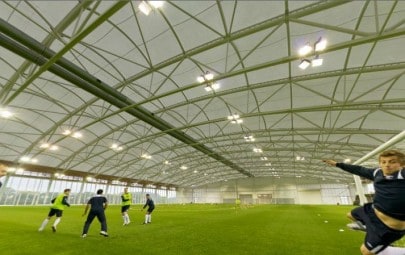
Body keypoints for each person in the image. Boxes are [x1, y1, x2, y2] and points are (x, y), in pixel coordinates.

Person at [323, 149, 405, 255]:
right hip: (372, 212)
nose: (387, 165)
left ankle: (382, 243)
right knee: (351, 215)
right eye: (383, 162)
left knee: (366, 252)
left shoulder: (402, 174)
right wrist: (337, 164)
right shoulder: (377, 173)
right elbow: (358, 169)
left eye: (392, 162)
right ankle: (369, 228)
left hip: (388, 228)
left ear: (402, 164)